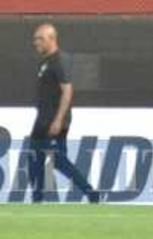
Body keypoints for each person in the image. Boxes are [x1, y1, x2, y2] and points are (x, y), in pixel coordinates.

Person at [26, 22, 99, 203]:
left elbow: (67, 90)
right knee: (34, 158)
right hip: (42, 119)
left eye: (40, 39)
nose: (36, 42)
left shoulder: (59, 60)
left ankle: (90, 192)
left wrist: (58, 120)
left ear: (51, 39)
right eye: (35, 39)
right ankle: (37, 199)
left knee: (57, 159)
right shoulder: (45, 61)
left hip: (54, 120)